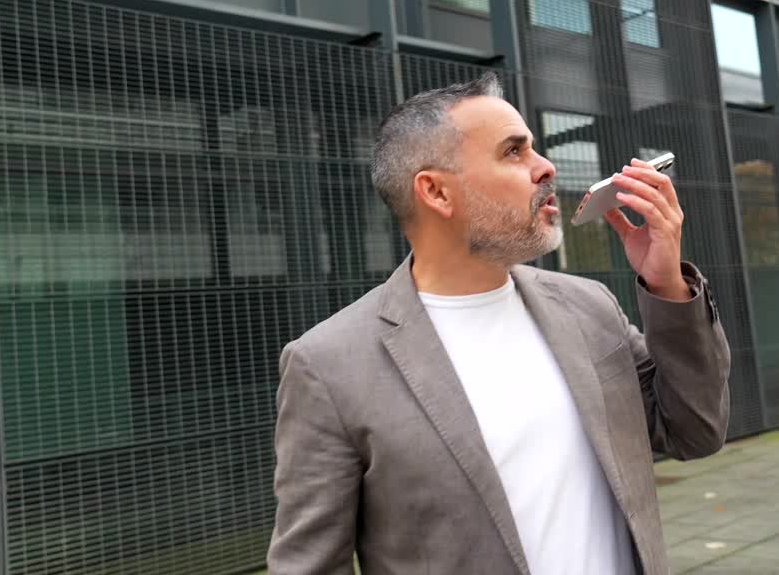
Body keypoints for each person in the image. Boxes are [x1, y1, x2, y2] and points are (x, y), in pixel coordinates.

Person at [267, 73, 730, 575]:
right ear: (437, 192)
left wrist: (666, 286)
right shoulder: (329, 365)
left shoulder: (587, 306)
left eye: (534, 148)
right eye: (514, 152)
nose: (545, 167)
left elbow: (695, 432)